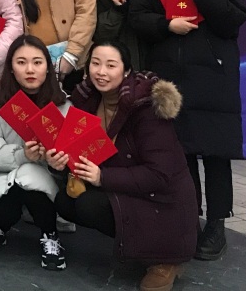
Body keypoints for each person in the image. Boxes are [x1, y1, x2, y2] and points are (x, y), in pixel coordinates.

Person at [129, 0, 246, 262]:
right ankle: (189, 218)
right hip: (170, 81)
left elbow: (231, 20)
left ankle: (217, 224)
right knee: (180, 153)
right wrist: (167, 25)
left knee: (215, 153)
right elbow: (137, 16)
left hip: (212, 76)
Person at [52, 42, 198, 291]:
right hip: (125, 183)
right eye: (96, 63)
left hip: (163, 200)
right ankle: (139, 246)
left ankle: (165, 258)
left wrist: (102, 177)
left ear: (127, 71)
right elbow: (82, 154)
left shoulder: (146, 108)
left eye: (111, 65)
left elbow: (159, 175)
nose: (101, 72)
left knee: (89, 204)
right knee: (67, 202)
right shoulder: (86, 100)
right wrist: (58, 163)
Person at [0, 35, 70, 270]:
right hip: (1, 176)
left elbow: (71, 155)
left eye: (37, 62)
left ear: (48, 67)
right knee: (2, 211)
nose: (30, 69)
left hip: (44, 181)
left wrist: (56, 161)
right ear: (10, 68)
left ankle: (50, 235)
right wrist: (23, 155)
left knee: (33, 178)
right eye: (21, 62)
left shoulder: (63, 105)